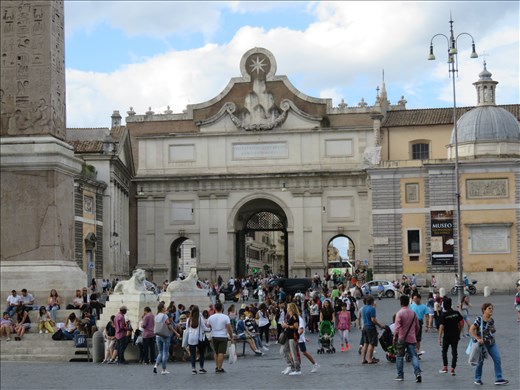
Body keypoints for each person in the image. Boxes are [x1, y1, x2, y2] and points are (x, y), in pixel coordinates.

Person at [469, 303, 509, 386]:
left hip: (491, 343)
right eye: (489, 308)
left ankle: (498, 378)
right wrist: (478, 339)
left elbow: (492, 330)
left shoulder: (491, 320)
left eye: (492, 308)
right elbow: (471, 330)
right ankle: (477, 379)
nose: (491, 310)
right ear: (484, 310)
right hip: (482, 345)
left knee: (497, 359)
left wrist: (493, 330)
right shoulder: (479, 319)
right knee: (480, 362)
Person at [393, 295, 422, 383]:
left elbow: (396, 328)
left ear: (401, 303)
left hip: (402, 338)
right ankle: (418, 373)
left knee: (399, 357)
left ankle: (400, 375)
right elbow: (417, 327)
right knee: (414, 356)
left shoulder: (399, 313)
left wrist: (394, 337)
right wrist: (414, 334)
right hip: (411, 338)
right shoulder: (413, 313)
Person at [437, 297, 463, 375]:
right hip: (455, 335)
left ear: (444, 306)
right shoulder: (456, 313)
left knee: (444, 351)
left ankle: (445, 367)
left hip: (447, 336)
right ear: (451, 304)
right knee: (454, 352)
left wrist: (439, 338)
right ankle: (453, 368)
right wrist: (459, 332)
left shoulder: (444, 315)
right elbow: (461, 323)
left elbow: (441, 327)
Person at [207, 301, 234, 373]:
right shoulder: (225, 317)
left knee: (216, 352)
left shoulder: (211, 317)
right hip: (223, 336)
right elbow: (229, 327)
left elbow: (208, 326)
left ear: (215, 308)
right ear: (222, 308)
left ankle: (216, 366)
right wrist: (231, 337)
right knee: (221, 352)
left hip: (214, 335)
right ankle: (220, 367)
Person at [187, 305, 211, 374]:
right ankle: (201, 368)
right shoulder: (200, 319)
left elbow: (187, 329)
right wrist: (210, 329)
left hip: (191, 338)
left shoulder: (189, 319)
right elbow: (204, 328)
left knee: (193, 354)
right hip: (199, 338)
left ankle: (193, 369)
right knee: (201, 353)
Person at [361, 295, 384, 364]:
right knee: (372, 343)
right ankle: (370, 359)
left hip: (364, 327)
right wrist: (379, 325)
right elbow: (373, 319)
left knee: (365, 343)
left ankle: (363, 359)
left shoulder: (363, 308)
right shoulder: (372, 308)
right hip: (370, 327)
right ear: (372, 301)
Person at [296, 307, 319, 373]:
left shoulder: (300, 320)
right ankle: (295, 366)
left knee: (304, 352)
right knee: (295, 352)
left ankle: (315, 364)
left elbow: (301, 329)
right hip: (299, 338)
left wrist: (302, 337)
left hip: (299, 339)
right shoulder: (297, 319)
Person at [281, 302, 301, 376]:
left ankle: (297, 369)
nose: (287, 309)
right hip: (288, 336)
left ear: (291, 309)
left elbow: (296, 326)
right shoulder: (290, 316)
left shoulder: (295, 316)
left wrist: (287, 326)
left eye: (288, 308)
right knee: (283, 350)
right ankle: (290, 365)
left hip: (293, 336)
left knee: (293, 353)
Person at [154, 302, 172, 375]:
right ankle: (163, 369)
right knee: (165, 352)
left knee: (160, 352)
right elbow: (168, 324)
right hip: (164, 335)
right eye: (164, 307)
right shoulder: (164, 316)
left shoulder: (156, 316)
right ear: (162, 308)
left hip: (158, 335)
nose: (165, 308)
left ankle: (155, 365)